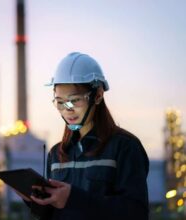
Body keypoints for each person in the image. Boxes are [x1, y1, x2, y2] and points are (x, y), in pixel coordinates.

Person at [21, 52, 149, 220]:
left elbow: (136, 213)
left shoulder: (125, 147)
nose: (68, 109)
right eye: (60, 102)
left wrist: (73, 198)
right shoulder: (56, 154)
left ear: (97, 95)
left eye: (74, 100)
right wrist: (34, 201)